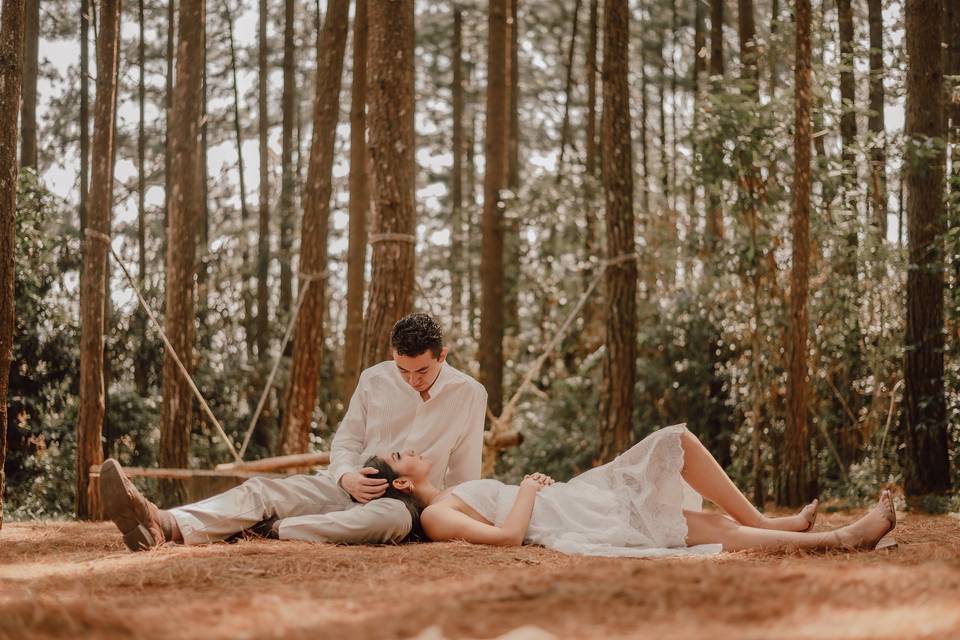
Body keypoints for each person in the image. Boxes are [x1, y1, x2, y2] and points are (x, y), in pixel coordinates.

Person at [100, 313, 488, 550]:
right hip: (348, 484)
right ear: (393, 356)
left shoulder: (470, 394)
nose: (412, 379)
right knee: (264, 489)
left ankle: (277, 528)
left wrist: (447, 519)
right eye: (403, 370)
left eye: (422, 370)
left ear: (442, 354)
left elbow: (466, 473)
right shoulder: (375, 380)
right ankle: (164, 524)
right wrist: (346, 476)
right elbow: (348, 441)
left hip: (406, 507)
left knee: (384, 522)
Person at [369, 424, 897, 557]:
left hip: (575, 498)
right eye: (399, 454)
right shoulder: (436, 517)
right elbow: (508, 537)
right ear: (402, 482)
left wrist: (531, 489)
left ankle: (769, 521)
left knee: (678, 443)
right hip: (571, 520)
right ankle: (843, 539)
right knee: (707, 530)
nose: (409, 447)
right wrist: (527, 487)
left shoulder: (455, 489)